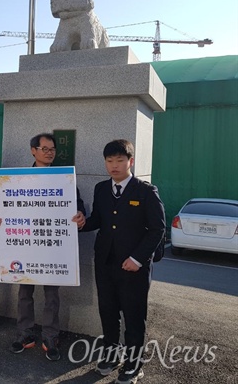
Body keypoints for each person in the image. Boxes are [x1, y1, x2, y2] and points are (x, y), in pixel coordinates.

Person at [77, 139, 165, 384]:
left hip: (134, 267)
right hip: (105, 262)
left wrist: (138, 259)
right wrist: (83, 223)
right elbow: (99, 220)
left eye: (120, 160)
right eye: (109, 160)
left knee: (134, 316)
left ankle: (134, 364)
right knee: (108, 311)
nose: (114, 165)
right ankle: (110, 355)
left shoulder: (146, 191)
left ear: (131, 161)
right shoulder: (101, 189)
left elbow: (157, 230)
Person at [0, 133, 86, 361]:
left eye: (52, 149)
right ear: (33, 151)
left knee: (51, 295)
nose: (49, 152)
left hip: (52, 247)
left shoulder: (65, 179)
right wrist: (0, 221)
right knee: (24, 293)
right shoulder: (18, 180)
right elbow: (8, 208)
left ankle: (50, 335)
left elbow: (77, 205)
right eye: (45, 148)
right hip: (25, 246)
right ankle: (25, 333)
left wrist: (80, 215)